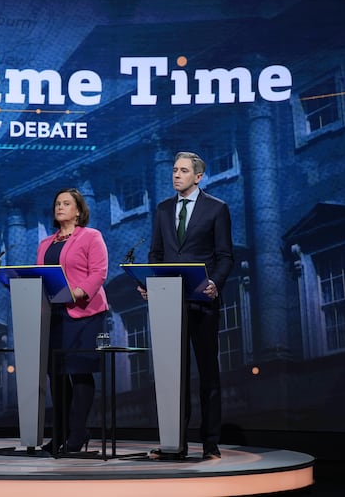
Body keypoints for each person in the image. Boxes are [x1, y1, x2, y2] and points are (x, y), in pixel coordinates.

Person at [140, 151, 234, 461]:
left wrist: (215, 283)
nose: (176, 175)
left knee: (208, 374)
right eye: (174, 170)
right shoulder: (163, 209)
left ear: (198, 176)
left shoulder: (217, 209)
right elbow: (155, 254)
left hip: (202, 303)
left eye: (183, 171)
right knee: (172, 376)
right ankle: (174, 444)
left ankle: (210, 443)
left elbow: (225, 256)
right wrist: (150, 284)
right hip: (169, 302)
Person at [36, 188, 109, 454]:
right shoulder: (45, 243)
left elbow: (99, 272)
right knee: (55, 375)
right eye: (57, 203)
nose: (60, 207)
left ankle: (78, 434)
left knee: (79, 371)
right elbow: (41, 276)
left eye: (66, 203)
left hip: (85, 312)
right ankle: (60, 434)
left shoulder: (91, 236)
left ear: (78, 210)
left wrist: (78, 292)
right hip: (54, 314)